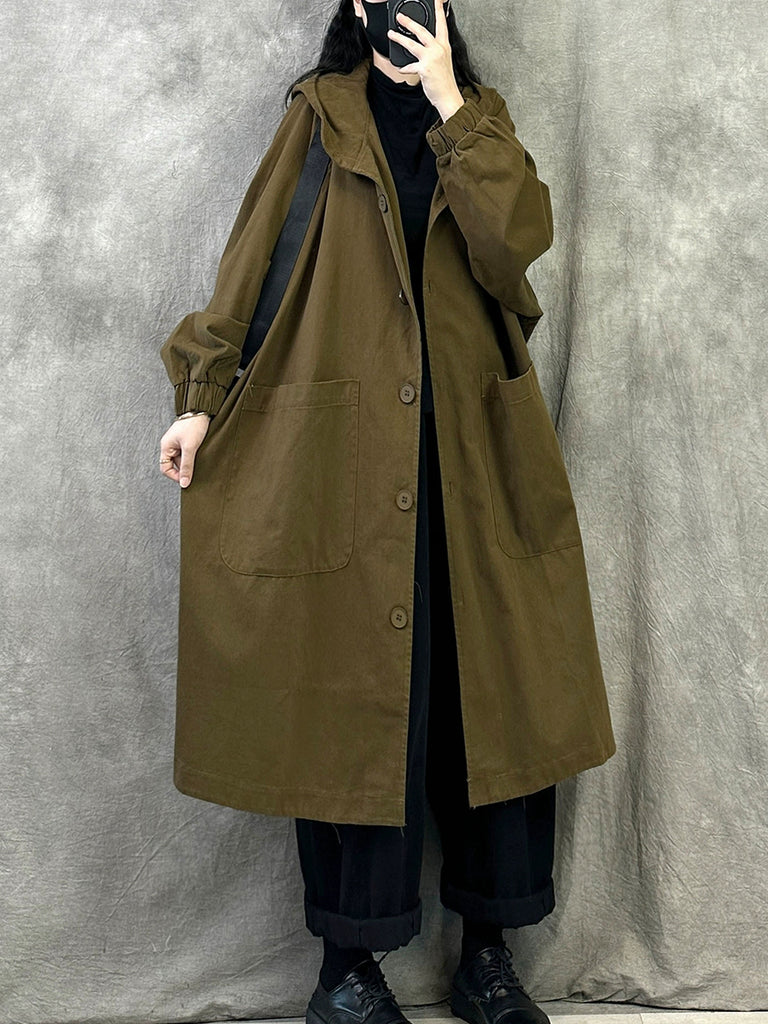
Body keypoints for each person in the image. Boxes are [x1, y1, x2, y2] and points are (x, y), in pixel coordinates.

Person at [159, 3, 616, 1024]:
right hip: (345, 467)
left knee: (495, 702)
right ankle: (346, 974)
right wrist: (199, 400)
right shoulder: (319, 116)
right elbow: (249, 269)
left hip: (478, 460)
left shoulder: (479, 116)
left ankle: (487, 959)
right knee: (355, 708)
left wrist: (452, 102)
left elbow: (516, 249)